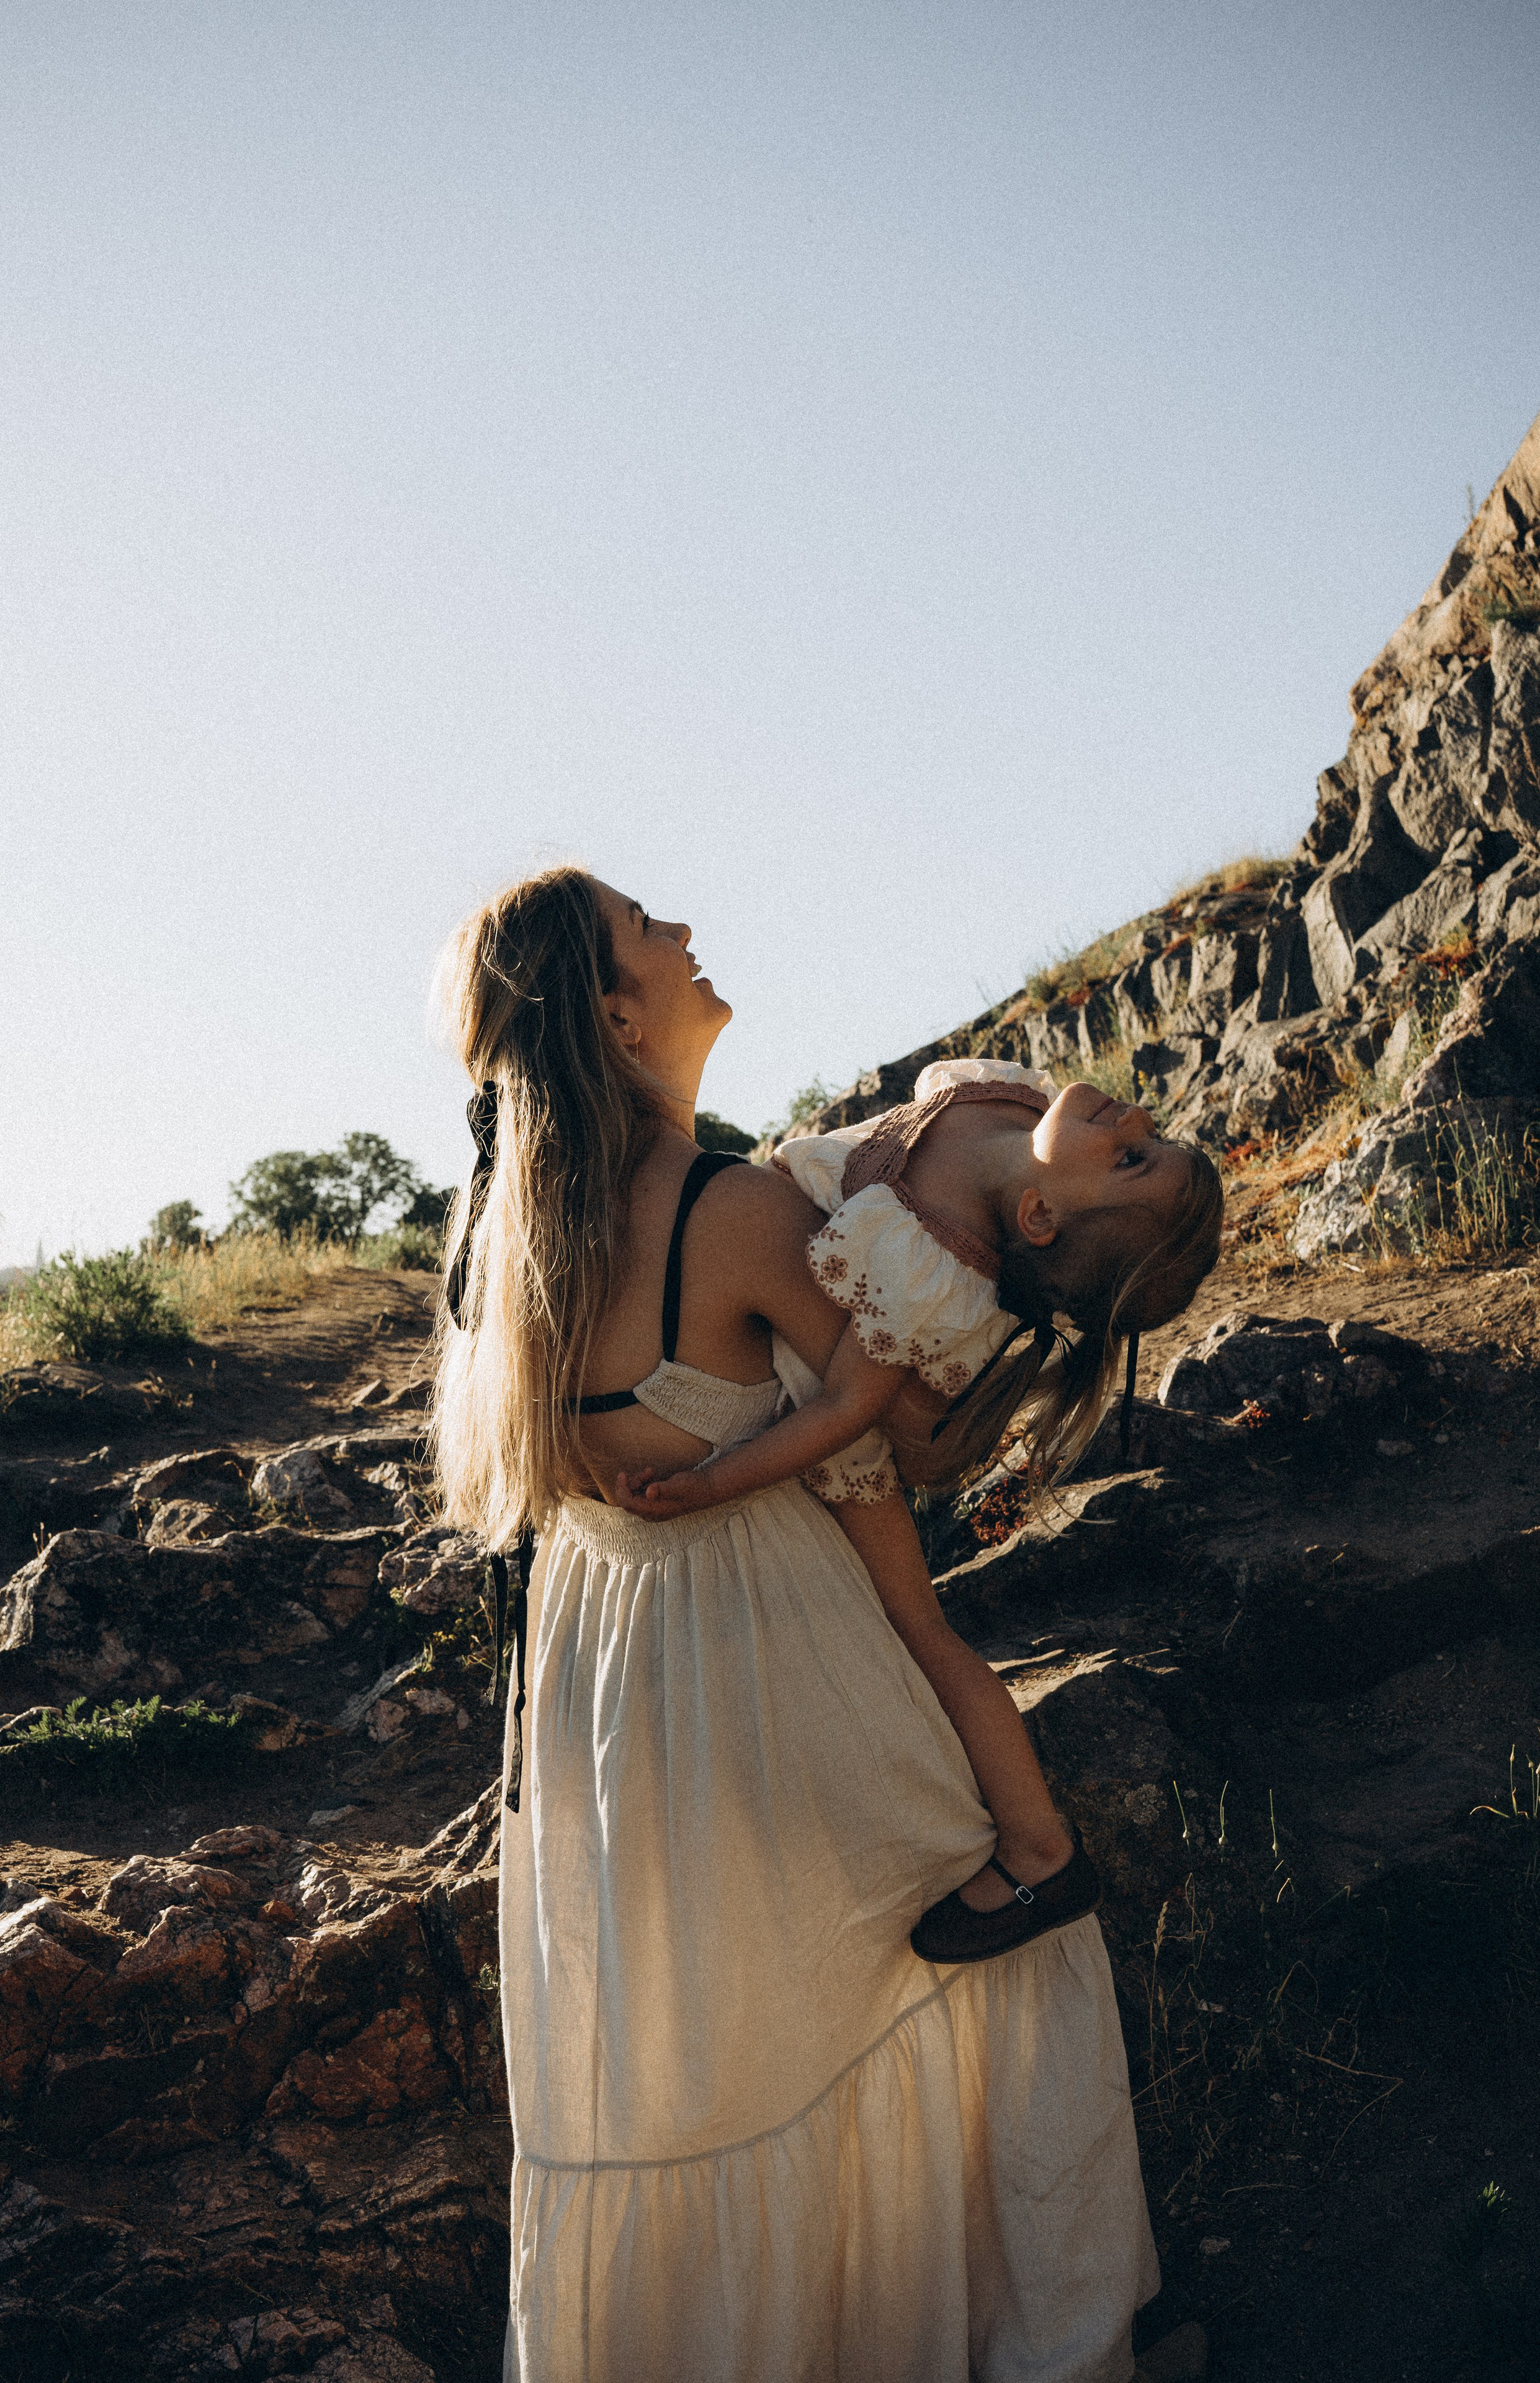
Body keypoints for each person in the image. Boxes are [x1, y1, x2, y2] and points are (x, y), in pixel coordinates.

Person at [431, 862, 1193, 2383]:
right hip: (764, 1630)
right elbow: (894, 1427)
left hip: (602, 1670)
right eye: (650, 930)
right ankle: (975, 2330)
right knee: (946, 1952)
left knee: (681, 2056)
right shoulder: (727, 1207)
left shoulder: (503, 1239)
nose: (685, 930)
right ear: (612, 1008)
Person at [612, 1054, 1224, 1963]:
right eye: (1154, 1140)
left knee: (917, 1626)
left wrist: (712, 1483)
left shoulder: (931, 1261)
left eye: (1132, 1161)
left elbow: (845, 1408)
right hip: (765, 1286)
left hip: (832, 1427)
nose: (1135, 1122)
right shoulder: (1010, 1100)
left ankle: (1040, 1848)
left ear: (1040, 1218)